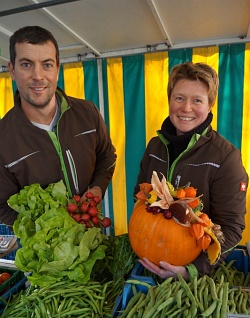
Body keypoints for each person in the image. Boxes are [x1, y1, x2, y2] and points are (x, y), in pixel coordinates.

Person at [133, 61, 248, 280]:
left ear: (210, 104)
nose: (186, 108)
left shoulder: (225, 157)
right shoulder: (155, 147)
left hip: (199, 277)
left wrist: (191, 270)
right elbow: (139, 197)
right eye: (179, 98)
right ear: (169, 100)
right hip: (149, 262)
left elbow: (231, 229)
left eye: (197, 100)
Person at [0, 26, 116, 227]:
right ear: (12, 69)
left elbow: (107, 156)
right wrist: (47, 232)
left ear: (57, 68)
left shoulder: (87, 112)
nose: (38, 75)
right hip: (46, 253)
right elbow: (2, 206)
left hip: (92, 235)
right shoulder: (3, 139)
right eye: (27, 64)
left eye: (46, 65)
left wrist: (97, 188)